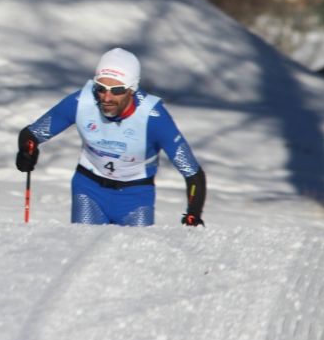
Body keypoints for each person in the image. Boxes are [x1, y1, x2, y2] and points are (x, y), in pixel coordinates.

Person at [15, 48, 205, 227]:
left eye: (117, 90)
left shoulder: (153, 117)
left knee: (133, 259)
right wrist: (26, 151)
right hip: (89, 191)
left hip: (135, 198)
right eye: (101, 88)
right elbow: (32, 134)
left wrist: (193, 212)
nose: (106, 97)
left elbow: (193, 174)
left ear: (132, 89)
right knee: (82, 250)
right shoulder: (81, 102)